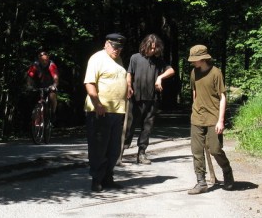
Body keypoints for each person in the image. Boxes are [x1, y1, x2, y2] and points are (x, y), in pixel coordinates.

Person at [84, 33, 130, 192]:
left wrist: (127, 87)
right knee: (99, 148)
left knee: (114, 148)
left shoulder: (119, 60)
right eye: (114, 47)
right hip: (100, 111)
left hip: (118, 110)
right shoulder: (97, 58)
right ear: (106, 44)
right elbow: (89, 83)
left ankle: (108, 178)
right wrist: (97, 104)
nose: (117, 50)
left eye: (120, 48)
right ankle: (96, 180)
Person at [187, 44, 234, 194]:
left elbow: (223, 97)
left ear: (203, 59)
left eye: (195, 59)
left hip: (213, 117)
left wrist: (221, 120)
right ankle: (201, 182)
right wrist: (195, 109)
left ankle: (227, 172)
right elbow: (194, 92)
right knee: (196, 150)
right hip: (197, 117)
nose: (193, 62)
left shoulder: (216, 73)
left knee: (215, 149)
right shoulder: (194, 72)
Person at [124, 33, 175, 164]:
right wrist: (128, 86)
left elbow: (171, 70)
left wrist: (160, 77)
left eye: (155, 48)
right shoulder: (135, 58)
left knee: (147, 127)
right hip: (135, 98)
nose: (153, 50)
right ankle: (120, 151)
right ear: (145, 45)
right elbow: (129, 73)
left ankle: (141, 153)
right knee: (129, 126)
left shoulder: (158, 61)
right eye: (151, 48)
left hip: (153, 99)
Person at [26, 50, 59, 118]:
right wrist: (29, 85)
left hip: (49, 86)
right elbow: (30, 76)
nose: (44, 62)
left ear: (48, 59)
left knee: (52, 95)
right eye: (42, 60)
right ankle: (31, 117)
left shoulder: (51, 65)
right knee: (29, 97)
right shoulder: (35, 65)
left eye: (46, 60)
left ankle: (53, 113)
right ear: (39, 60)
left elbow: (55, 78)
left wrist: (54, 85)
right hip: (37, 86)